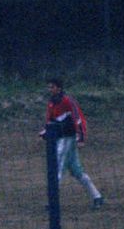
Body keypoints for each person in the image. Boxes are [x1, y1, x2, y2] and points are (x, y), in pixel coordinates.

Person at [40, 78, 104, 208]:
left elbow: (78, 118)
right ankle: (97, 196)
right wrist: (45, 132)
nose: (50, 90)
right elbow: (50, 120)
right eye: (49, 87)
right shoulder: (52, 102)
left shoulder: (68, 101)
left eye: (52, 87)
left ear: (59, 88)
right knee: (76, 171)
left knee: (57, 167)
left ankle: (53, 201)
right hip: (60, 138)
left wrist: (81, 137)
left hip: (68, 138)